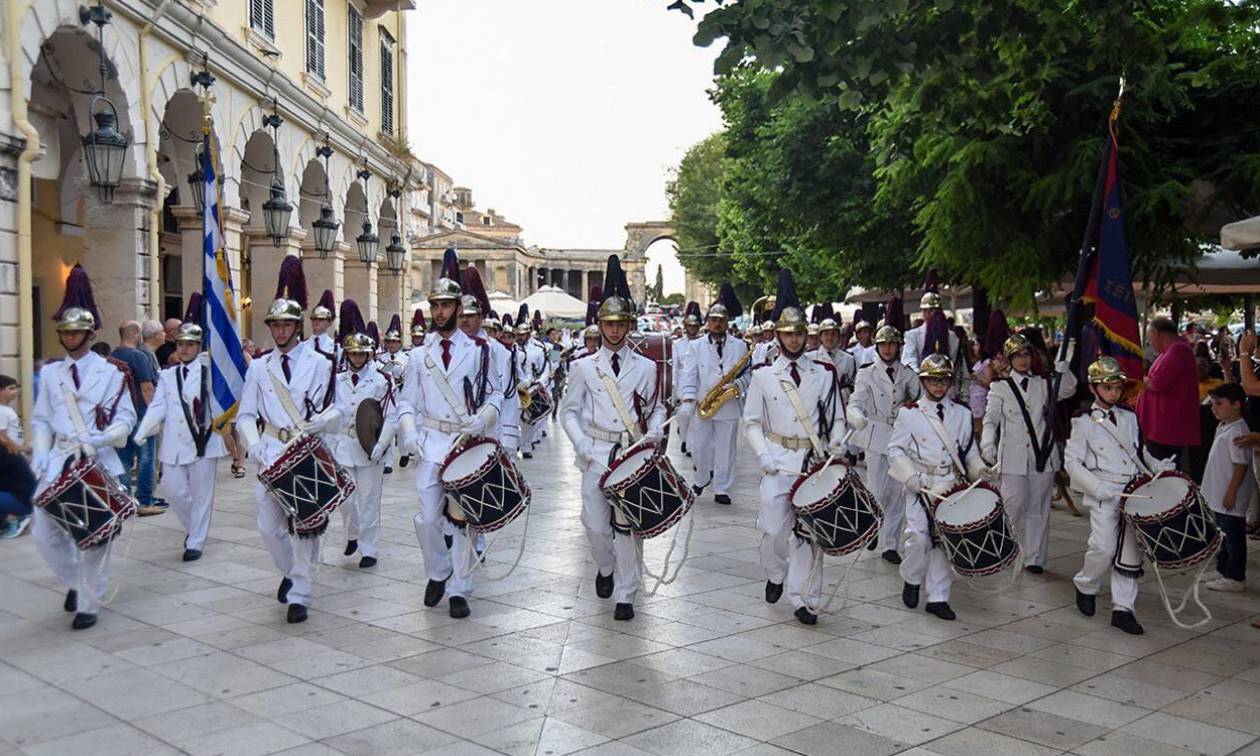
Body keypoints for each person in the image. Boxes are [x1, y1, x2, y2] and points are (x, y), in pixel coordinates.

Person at [30, 265, 137, 629]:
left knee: (96, 535)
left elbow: (126, 421)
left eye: (77, 332)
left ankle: (89, 601)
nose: (71, 337)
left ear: (90, 334)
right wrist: (41, 454)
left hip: (97, 458)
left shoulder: (112, 372)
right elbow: (41, 419)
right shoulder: (49, 373)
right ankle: (77, 581)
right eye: (66, 331)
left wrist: (102, 438)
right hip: (59, 459)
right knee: (44, 532)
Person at [236, 256, 341, 624]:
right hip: (271, 452)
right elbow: (245, 415)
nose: (280, 331)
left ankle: (300, 592)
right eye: (275, 325)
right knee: (268, 527)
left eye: (286, 325)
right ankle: (291, 572)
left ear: (298, 326)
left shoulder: (322, 363)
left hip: (308, 450)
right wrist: (254, 446)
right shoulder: (259, 367)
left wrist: (321, 423)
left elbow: (338, 409)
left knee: (306, 525)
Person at [397, 249, 501, 620]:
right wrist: (409, 434)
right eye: (435, 305)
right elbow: (406, 402)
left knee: (462, 521)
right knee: (426, 519)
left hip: (464, 443)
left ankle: (460, 588)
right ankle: (438, 571)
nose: (440, 312)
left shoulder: (477, 351)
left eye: (447, 305)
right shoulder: (417, 355)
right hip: (429, 442)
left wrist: (483, 420)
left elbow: (494, 396)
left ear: (458, 308)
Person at [560, 255, 664, 621]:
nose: (615, 331)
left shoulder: (647, 367)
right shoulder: (583, 367)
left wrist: (655, 430)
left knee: (629, 525)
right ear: (599, 325)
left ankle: (626, 593)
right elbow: (567, 411)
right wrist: (581, 444)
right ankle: (604, 568)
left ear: (629, 326)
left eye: (621, 324)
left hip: (632, 449)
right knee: (594, 523)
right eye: (608, 324)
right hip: (597, 450)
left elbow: (656, 408)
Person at [743, 271, 846, 625]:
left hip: (812, 462)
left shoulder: (825, 372)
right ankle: (775, 572)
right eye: (787, 333)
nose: (794, 338)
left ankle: (805, 598)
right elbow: (752, 421)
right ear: (778, 335)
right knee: (774, 530)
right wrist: (764, 455)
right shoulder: (763, 375)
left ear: (807, 335)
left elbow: (837, 418)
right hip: (777, 459)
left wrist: (836, 442)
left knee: (810, 535)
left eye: (799, 332)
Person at [1066, 357, 1175, 635]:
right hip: (1104, 491)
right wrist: (1095, 486)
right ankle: (1086, 583)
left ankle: (1123, 609)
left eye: (1117, 387)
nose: (1114, 393)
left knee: (1130, 552)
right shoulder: (1083, 421)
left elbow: (1138, 452)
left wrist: (1158, 466)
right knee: (1102, 547)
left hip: (1132, 491)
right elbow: (1072, 462)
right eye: (1107, 388)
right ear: (1094, 388)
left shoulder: (1128, 416)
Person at [887, 353, 990, 621]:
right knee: (919, 539)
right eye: (933, 380)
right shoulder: (909, 413)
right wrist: (909, 476)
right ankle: (911, 578)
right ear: (923, 382)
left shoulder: (962, 413)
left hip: (950, 485)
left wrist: (980, 469)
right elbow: (895, 449)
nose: (938, 386)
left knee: (944, 543)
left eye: (943, 380)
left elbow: (968, 452)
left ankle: (938, 597)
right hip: (919, 483)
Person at [132, 296, 227, 562]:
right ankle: (193, 527)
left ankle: (196, 540)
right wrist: (142, 431)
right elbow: (158, 407)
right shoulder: (167, 375)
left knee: (202, 494)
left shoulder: (210, 372)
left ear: (199, 346)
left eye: (190, 345)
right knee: (173, 490)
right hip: (174, 443)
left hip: (204, 440)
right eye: (180, 344)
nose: (184, 349)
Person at [980, 334, 1077, 574]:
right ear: (1009, 359)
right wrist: (987, 444)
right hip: (1012, 455)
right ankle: (1004, 551)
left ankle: (1035, 558)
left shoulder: (1042, 382)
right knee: (1012, 505)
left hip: (1042, 454)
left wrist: (1064, 368)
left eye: (1026, 355)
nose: (1023, 360)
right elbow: (990, 419)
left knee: (1039, 507)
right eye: (1017, 356)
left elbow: (1068, 389)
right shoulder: (999, 387)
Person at [847, 325, 919, 564]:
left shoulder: (907, 373)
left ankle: (891, 545)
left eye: (892, 344)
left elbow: (920, 395)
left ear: (899, 347)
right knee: (877, 489)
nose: (887, 349)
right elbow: (855, 401)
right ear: (877, 347)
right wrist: (856, 415)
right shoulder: (866, 372)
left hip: (900, 435)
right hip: (876, 432)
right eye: (883, 344)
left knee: (898, 493)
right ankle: (872, 527)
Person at [333, 300, 395, 569]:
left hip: (370, 446)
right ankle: (352, 534)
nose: (357, 358)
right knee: (345, 500)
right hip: (343, 446)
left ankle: (369, 548)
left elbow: (391, 415)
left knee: (369, 500)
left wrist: (382, 445)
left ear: (369, 355)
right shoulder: (336, 379)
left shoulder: (382, 380)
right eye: (353, 354)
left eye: (362, 354)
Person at [678, 283, 748, 505]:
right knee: (699, 447)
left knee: (726, 449)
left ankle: (722, 488)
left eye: (721, 320)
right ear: (708, 323)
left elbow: (749, 375)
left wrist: (737, 387)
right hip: (703, 404)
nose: (717, 323)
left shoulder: (741, 346)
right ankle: (701, 477)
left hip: (728, 405)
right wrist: (687, 399)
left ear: (727, 323)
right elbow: (689, 374)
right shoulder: (695, 346)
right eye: (714, 320)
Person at [1202, 382, 1251, 592]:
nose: (1214, 408)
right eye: (1213, 404)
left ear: (1236, 405)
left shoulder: (1238, 432)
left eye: (1219, 404)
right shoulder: (1224, 426)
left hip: (1230, 496)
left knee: (1234, 536)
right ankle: (1223, 569)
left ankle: (1235, 576)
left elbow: (1241, 464)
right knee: (1223, 534)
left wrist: (1231, 491)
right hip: (1220, 493)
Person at [112, 320, 163, 516]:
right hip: (141, 414)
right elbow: (147, 388)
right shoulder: (139, 356)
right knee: (146, 459)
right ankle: (144, 501)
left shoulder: (111, 357)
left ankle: (123, 501)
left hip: (119, 417)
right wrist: (154, 415)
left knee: (123, 461)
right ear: (134, 334)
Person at [1137, 316, 1199, 468]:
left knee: (1163, 468)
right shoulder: (1172, 350)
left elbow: (1157, 383)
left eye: (1149, 337)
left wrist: (1137, 380)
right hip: (1160, 425)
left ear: (1156, 333)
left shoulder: (1178, 350)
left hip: (1166, 426)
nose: (1149, 342)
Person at [376, 315, 410, 473]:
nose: (392, 345)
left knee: (402, 427)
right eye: (389, 342)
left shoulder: (406, 358)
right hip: (387, 397)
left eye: (395, 342)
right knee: (386, 427)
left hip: (402, 395)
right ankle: (388, 462)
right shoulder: (380, 358)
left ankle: (404, 452)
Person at [672, 301, 702, 456]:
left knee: (697, 418)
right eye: (690, 326)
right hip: (683, 384)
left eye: (695, 326)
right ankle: (685, 440)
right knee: (684, 415)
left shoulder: (703, 343)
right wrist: (675, 391)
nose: (692, 329)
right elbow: (675, 367)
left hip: (700, 384)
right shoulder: (677, 344)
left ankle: (692, 447)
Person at [0, 430, 35, 540]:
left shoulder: (2, 450)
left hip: (24, 500)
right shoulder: (5, 444)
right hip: (24, 496)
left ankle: (18, 519)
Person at [307, 289, 337, 358]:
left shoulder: (335, 346)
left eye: (321, 319)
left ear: (329, 323)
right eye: (314, 319)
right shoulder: (302, 345)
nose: (317, 321)